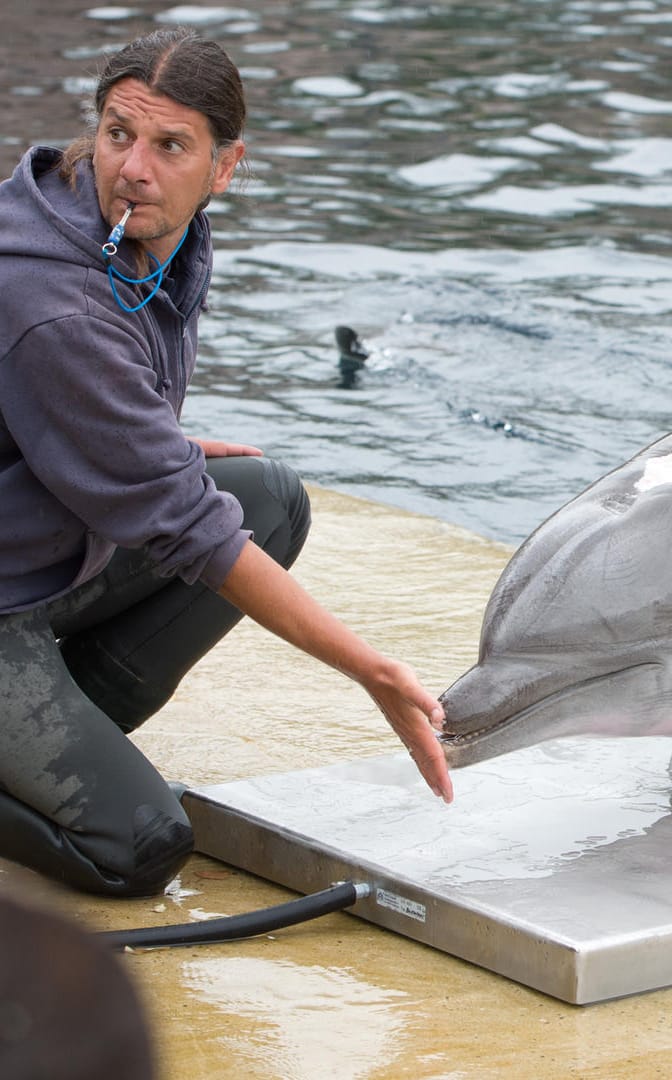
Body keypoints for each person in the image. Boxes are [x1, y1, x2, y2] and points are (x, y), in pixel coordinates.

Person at [0, 27, 452, 898]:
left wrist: (119, 428)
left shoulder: (145, 236)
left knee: (271, 498)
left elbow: (85, 385)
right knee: (139, 846)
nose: (134, 167)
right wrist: (374, 671)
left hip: (30, 558)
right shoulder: (52, 293)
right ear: (94, 129)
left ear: (224, 166)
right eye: (119, 133)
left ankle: (56, 738)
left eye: (171, 146)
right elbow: (189, 529)